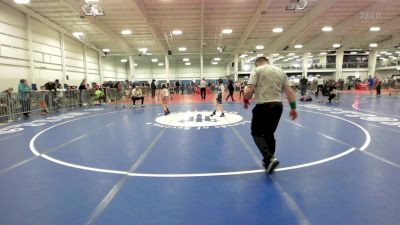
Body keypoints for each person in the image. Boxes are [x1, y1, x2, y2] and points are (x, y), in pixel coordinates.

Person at [243, 57, 297, 174]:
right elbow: (289, 92)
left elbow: (249, 90)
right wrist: (293, 108)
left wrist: (246, 100)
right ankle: (269, 162)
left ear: (257, 64)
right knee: (269, 134)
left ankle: (269, 158)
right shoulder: (280, 71)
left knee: (256, 133)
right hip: (278, 106)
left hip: (263, 106)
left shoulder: (257, 70)